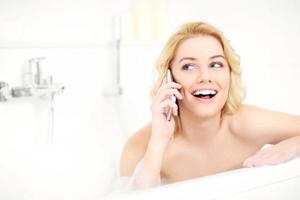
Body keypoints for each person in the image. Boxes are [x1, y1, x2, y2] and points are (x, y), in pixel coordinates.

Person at [119, 21, 300, 189]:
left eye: (215, 64)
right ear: (170, 78)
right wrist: (158, 142)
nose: (205, 77)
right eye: (189, 67)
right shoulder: (140, 146)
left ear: (230, 74)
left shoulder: (248, 123)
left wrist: (292, 145)